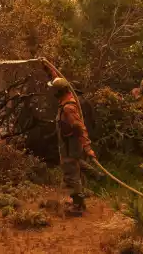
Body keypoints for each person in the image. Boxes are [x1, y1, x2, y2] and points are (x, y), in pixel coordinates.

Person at [46, 74, 96, 216]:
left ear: (58, 92)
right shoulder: (65, 100)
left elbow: (79, 128)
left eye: (54, 90)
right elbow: (58, 79)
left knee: (72, 175)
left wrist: (87, 148)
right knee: (73, 171)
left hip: (71, 145)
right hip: (67, 145)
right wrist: (47, 67)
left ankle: (78, 206)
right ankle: (93, 178)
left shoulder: (68, 107)